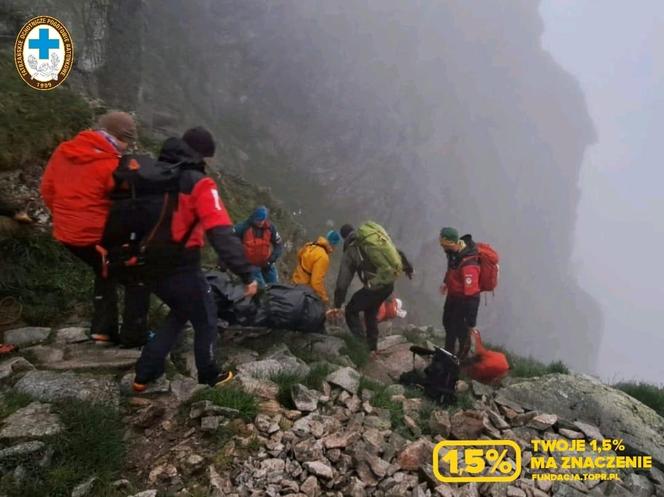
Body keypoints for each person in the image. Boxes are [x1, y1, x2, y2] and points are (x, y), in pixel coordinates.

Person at [133, 127, 257, 391]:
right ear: (202, 154)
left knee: (181, 311)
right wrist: (246, 273)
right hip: (181, 265)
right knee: (206, 318)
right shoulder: (199, 183)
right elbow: (221, 232)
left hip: (144, 262)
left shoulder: (153, 174)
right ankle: (210, 375)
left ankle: (145, 373)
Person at [40, 111, 151, 346]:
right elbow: (122, 207)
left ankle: (103, 331)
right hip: (95, 236)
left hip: (66, 233)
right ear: (119, 137)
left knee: (104, 270)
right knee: (136, 278)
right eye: (126, 141)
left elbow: (47, 190)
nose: (126, 147)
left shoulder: (64, 151)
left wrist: (65, 216)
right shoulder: (110, 165)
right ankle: (135, 337)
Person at [332, 223, 413, 352]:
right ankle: (371, 348)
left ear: (344, 237)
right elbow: (392, 252)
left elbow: (343, 282)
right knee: (371, 312)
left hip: (375, 286)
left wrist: (337, 304)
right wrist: (408, 267)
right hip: (388, 284)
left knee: (351, 310)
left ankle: (360, 347)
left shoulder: (351, 250)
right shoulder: (371, 239)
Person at [439, 227, 481, 359]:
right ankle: (448, 352)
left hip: (463, 300)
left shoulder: (469, 264)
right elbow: (451, 268)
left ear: (451, 243)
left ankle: (463, 356)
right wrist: (446, 282)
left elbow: (473, 294)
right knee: (447, 322)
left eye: (444, 245)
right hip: (452, 295)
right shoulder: (453, 253)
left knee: (458, 326)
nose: (442, 248)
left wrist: (471, 322)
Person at [234, 206, 283, 288]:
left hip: (267, 263)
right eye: (258, 220)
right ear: (253, 218)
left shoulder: (270, 228)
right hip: (250, 265)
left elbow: (279, 245)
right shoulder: (243, 227)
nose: (261, 223)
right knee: (262, 289)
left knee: (276, 287)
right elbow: (229, 242)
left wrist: (271, 260)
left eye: (263, 220)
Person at [291, 230, 341, 304]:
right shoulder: (323, 257)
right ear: (333, 244)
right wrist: (324, 297)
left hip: (294, 281)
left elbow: (299, 255)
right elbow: (316, 282)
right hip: (303, 291)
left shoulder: (310, 244)